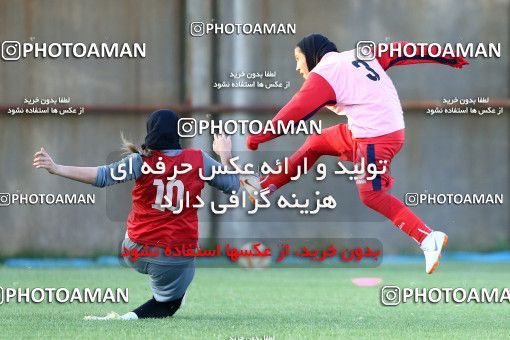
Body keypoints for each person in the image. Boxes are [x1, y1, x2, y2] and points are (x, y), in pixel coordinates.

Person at [243, 34, 469, 274]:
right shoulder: (359, 54)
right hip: (374, 131)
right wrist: (445, 55)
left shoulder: (323, 75)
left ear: (311, 55)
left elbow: (295, 111)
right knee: (316, 142)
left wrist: (257, 137)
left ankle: (426, 237)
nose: (297, 66)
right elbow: (403, 50)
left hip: (375, 137)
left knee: (372, 196)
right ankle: (265, 187)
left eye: (298, 58)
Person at [33, 109, 239, 319]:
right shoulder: (198, 160)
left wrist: (56, 167)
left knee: (175, 262)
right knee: (170, 302)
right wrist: (224, 154)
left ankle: (170, 286)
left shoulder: (139, 161)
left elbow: (101, 176)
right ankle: (135, 314)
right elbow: (233, 185)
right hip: (172, 256)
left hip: (134, 250)